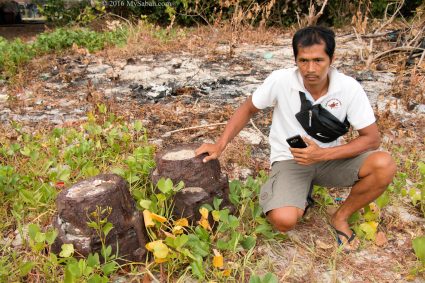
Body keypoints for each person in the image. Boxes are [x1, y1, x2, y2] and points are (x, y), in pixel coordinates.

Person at [195, 26, 396, 249]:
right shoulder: (281, 81)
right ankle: (297, 193)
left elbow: (371, 139)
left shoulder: (349, 88)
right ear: (295, 60)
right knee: (283, 221)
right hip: (291, 159)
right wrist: (220, 144)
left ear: (332, 59)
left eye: (318, 60)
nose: (311, 69)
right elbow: (248, 108)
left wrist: (321, 154)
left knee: (384, 164)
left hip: (330, 159)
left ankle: (341, 216)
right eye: (303, 61)